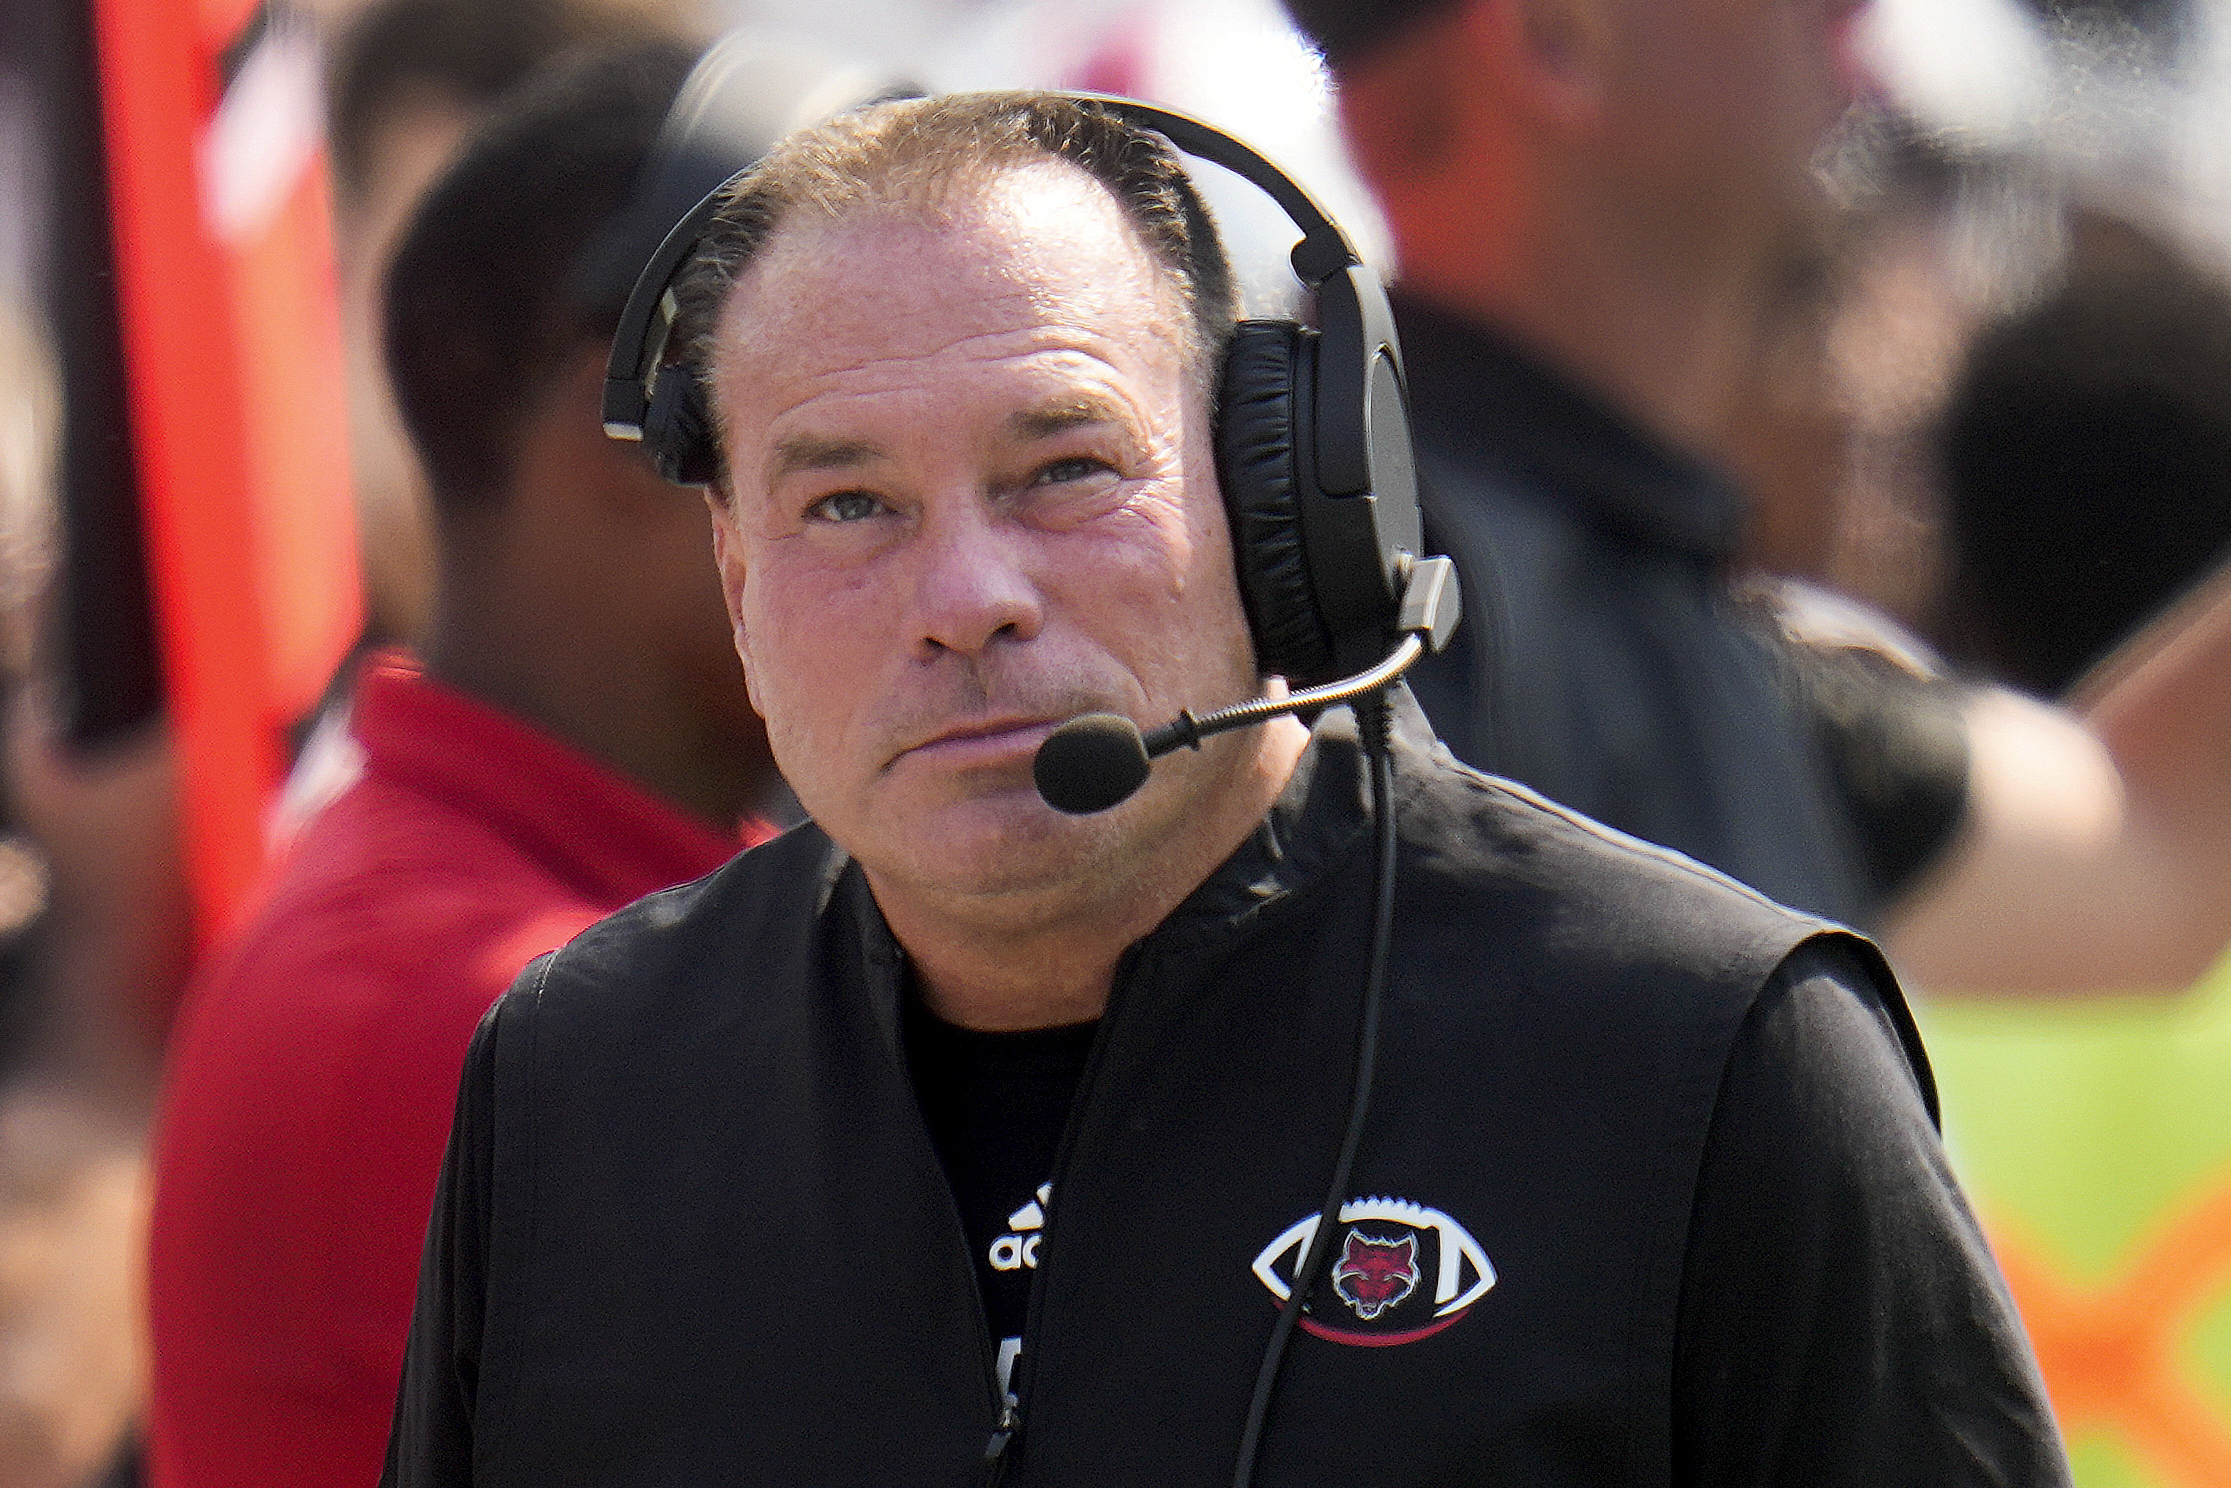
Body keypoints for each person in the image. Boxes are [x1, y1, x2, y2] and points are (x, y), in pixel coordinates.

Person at [383, 92, 2066, 1486]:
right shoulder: (575, 1085)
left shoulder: (1710, 1062)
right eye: (847, 505)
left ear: (1288, 514)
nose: (966, 592)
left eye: (1064, 469)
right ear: (738, 581)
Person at [146, 39, 803, 1488]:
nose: (965, 557)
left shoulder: (608, 932)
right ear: (627, 422)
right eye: (850, 432)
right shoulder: (480, 1015)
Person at [1275, 0, 1942, 928]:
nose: (1858, 17)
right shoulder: (1350, 625)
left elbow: (2147, 833)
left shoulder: (1632, 577)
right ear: (1556, 38)